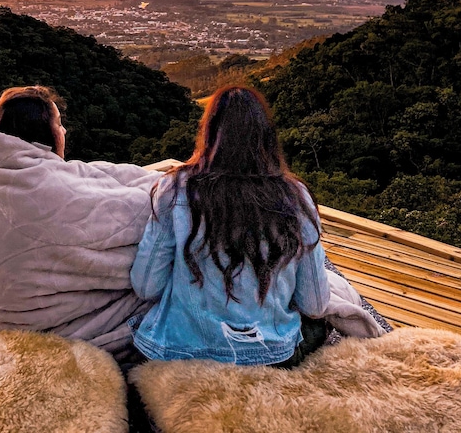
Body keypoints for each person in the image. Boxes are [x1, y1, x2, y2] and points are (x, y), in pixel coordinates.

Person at [130, 85, 330, 367]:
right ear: (265, 136)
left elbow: (146, 286)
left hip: (180, 352)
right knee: (320, 327)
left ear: (209, 134)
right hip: (269, 356)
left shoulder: (174, 190)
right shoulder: (295, 198)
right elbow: (315, 304)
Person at [0, 84, 157, 362]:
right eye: (59, 124)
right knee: (170, 271)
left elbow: (89, 174)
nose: (63, 131)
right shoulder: (42, 190)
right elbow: (138, 218)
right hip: (38, 324)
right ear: (42, 134)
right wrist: (177, 191)